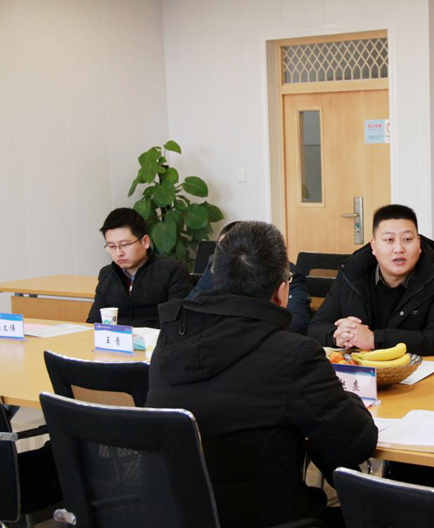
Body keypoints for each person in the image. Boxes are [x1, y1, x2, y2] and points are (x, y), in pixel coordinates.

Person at [146, 221, 377, 527]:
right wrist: (348, 398)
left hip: (175, 516)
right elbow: (355, 443)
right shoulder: (294, 354)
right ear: (282, 292)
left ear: (216, 278)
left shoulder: (169, 338)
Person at [307, 204, 434, 356]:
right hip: (359, 369)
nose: (399, 249)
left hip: (418, 369)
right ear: (374, 246)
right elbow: (316, 327)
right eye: (389, 240)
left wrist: (374, 339)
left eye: (407, 239)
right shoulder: (352, 274)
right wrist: (338, 336)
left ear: (419, 243)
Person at [187, 221, 312, 334]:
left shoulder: (285, 273)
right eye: (222, 251)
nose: (226, 257)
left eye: (231, 250)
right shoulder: (213, 269)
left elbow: (296, 323)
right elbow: (189, 309)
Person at [86, 208, 191, 328]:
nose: (118, 253)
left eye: (124, 245)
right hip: (117, 339)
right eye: (111, 246)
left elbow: (179, 322)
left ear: (145, 242)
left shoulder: (172, 270)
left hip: (158, 338)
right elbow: (94, 321)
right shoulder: (107, 274)